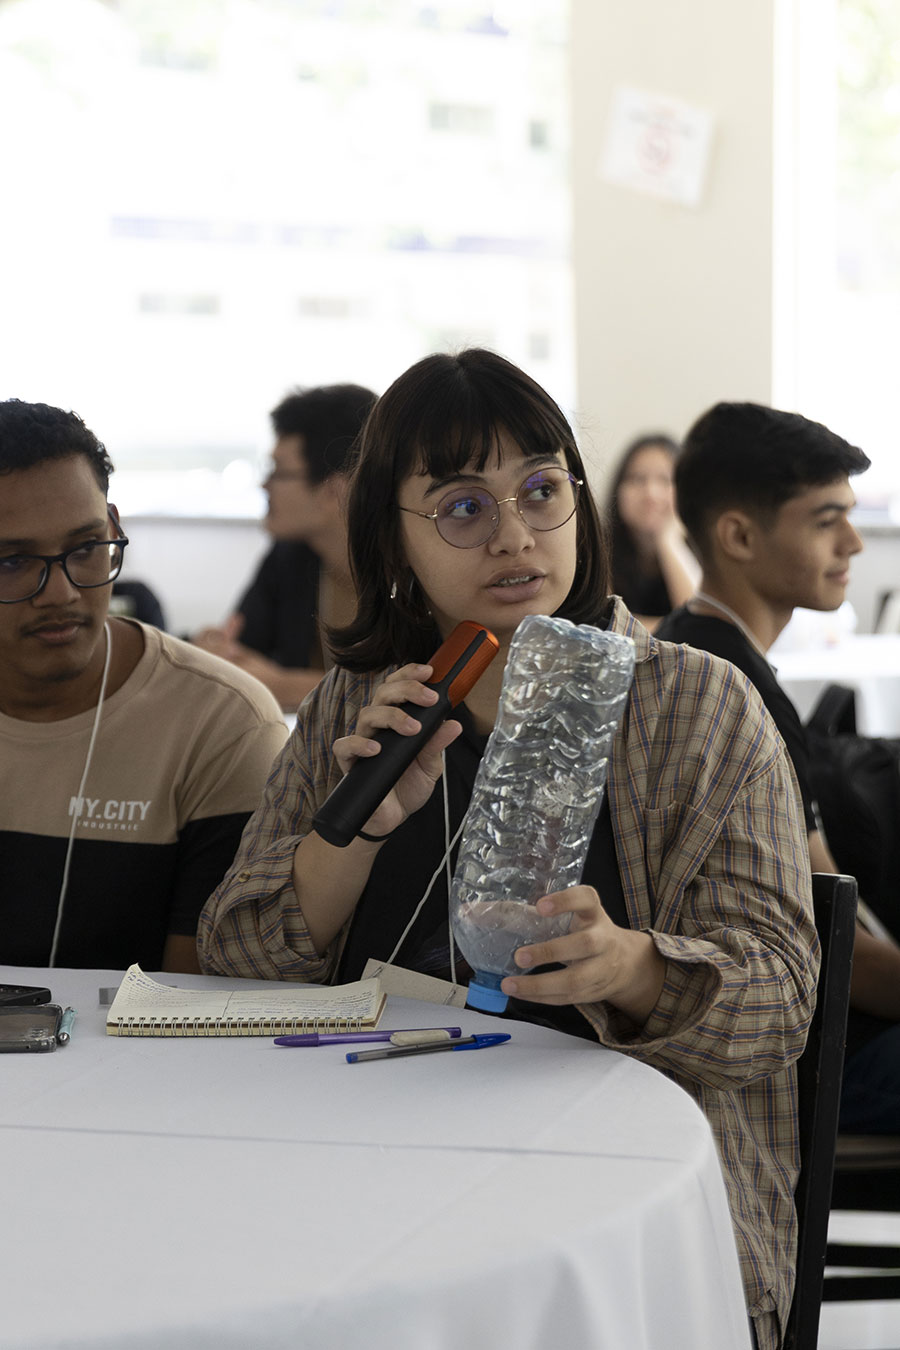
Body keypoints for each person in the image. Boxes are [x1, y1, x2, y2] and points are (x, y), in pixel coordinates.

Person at [199, 349, 818, 1350]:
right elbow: (238, 964)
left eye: (540, 490)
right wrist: (356, 830)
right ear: (392, 539)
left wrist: (630, 968)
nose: (515, 536)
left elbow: (781, 1004)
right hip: (365, 1162)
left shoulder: (695, 706)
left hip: (613, 1193)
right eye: (462, 507)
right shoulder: (360, 704)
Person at [656, 399, 900, 1134]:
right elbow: (831, 939)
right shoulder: (728, 690)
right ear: (738, 535)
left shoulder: (705, 652)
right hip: (809, 1061)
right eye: (827, 520)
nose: (853, 542)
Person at [0, 399, 288, 973]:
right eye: (12, 562)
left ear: (113, 528)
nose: (61, 593)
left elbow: (192, 999)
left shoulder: (221, 723)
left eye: (86, 548)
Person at [193, 383, 377, 710]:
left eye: (278, 471)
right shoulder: (290, 556)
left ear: (333, 491)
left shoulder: (411, 570)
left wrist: (283, 685)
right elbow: (243, 654)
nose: (264, 485)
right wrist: (214, 653)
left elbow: (417, 689)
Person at [605, 432, 697, 631]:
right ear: (619, 489)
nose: (651, 493)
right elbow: (604, 624)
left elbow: (701, 625)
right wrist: (675, 629)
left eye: (665, 480)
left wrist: (668, 541)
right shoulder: (599, 549)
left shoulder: (706, 551)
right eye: (637, 479)